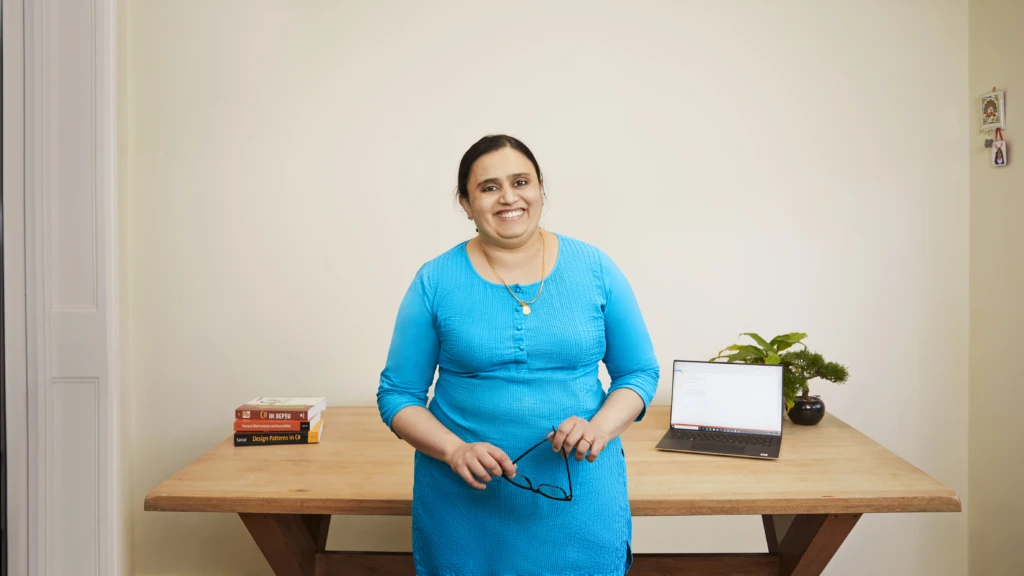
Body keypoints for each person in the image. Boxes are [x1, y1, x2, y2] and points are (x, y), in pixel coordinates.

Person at [377, 134, 660, 576]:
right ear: (465, 203)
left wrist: (599, 428)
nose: (508, 197)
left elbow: (639, 373)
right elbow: (397, 395)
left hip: (580, 504)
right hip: (464, 507)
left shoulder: (596, 269)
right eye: (488, 187)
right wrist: (454, 450)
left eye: (521, 182)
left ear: (541, 190)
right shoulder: (434, 281)